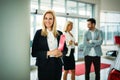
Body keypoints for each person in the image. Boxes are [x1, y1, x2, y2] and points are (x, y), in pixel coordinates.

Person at [31, 10, 68, 80]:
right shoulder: (38, 33)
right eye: (46, 18)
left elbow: (65, 49)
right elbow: (34, 53)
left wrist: (61, 53)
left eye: (50, 18)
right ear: (43, 20)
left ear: (54, 20)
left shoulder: (59, 33)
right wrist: (50, 52)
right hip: (43, 66)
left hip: (57, 65)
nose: (47, 21)